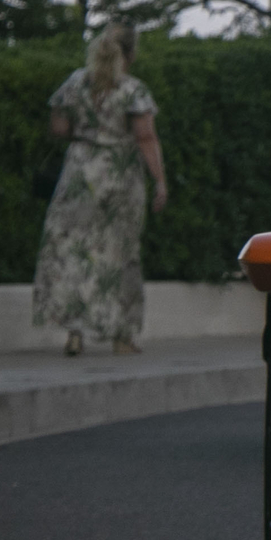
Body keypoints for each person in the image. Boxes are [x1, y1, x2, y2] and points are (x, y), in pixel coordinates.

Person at [33, 25, 167, 355]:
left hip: (78, 174)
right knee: (120, 254)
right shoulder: (133, 90)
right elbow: (145, 137)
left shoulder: (75, 82)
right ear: (131, 55)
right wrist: (160, 180)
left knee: (75, 250)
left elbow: (59, 127)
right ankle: (121, 336)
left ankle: (75, 332)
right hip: (119, 177)